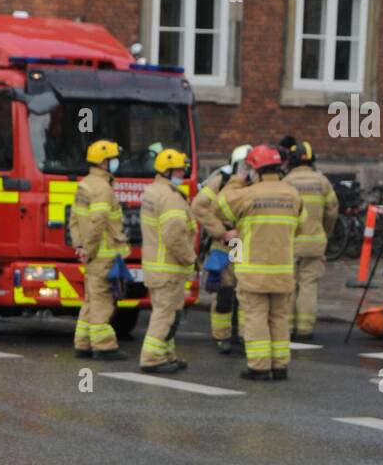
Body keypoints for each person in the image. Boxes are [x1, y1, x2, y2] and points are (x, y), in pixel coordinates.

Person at [224, 144, 306, 381]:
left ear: (254, 170)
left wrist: (237, 180)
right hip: (282, 270)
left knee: (256, 317)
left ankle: (259, 366)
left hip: (253, 272)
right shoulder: (292, 194)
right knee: (279, 317)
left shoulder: (248, 194)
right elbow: (300, 226)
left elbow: (221, 208)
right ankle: (280, 366)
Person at [70, 139, 130, 359]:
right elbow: (99, 222)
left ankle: (83, 341)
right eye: (114, 159)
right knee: (103, 301)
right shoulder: (103, 188)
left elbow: (74, 219)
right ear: (104, 162)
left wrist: (79, 246)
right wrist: (90, 249)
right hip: (102, 254)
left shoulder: (84, 184)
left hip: (91, 252)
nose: (116, 162)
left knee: (91, 299)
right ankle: (104, 346)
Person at [139, 148, 197, 374]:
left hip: (155, 266)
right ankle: (151, 357)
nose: (182, 173)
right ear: (167, 170)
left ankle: (166, 353)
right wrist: (190, 258)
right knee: (165, 313)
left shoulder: (152, 191)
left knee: (168, 312)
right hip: (169, 267)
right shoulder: (170, 198)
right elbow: (174, 235)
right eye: (180, 169)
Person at [192, 144, 252, 352]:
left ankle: (246, 336)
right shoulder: (220, 181)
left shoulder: (256, 184)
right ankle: (222, 336)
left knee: (245, 291)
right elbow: (199, 205)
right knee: (225, 290)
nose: (247, 170)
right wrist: (221, 232)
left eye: (251, 166)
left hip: (246, 244)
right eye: (244, 166)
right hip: (227, 243)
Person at [284, 140, 338, 340]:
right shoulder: (322, 182)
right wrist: (325, 232)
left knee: (289, 285)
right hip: (315, 242)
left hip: (290, 243)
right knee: (309, 285)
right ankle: (305, 328)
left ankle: (287, 327)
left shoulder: (286, 182)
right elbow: (332, 211)